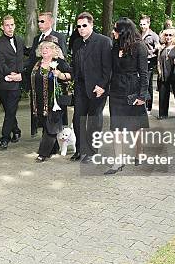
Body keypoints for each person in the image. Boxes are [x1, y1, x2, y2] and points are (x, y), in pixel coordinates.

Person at [106, 18, 150, 174]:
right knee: (116, 127)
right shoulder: (114, 46)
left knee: (135, 127)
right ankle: (118, 162)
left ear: (124, 31)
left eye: (115, 29)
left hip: (133, 89)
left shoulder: (139, 47)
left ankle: (140, 152)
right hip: (116, 90)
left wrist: (142, 96)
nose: (113, 32)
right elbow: (109, 70)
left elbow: (144, 74)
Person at [71, 12, 112, 163]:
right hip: (80, 87)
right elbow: (75, 65)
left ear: (91, 25)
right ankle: (80, 149)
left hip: (97, 88)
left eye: (84, 26)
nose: (81, 29)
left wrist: (102, 86)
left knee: (95, 120)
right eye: (79, 26)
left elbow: (108, 67)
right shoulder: (76, 43)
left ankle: (92, 151)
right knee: (78, 119)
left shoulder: (104, 41)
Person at [25, 11, 68, 135]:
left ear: (51, 22)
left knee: (53, 112)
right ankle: (46, 134)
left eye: (42, 21)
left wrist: (59, 74)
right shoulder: (36, 39)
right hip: (38, 81)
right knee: (40, 111)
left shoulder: (59, 37)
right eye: (38, 21)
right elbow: (32, 60)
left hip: (53, 82)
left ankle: (54, 136)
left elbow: (62, 58)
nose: (39, 23)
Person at [30, 37, 72, 162]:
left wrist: (60, 75)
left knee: (52, 125)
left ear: (54, 50)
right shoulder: (37, 63)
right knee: (44, 124)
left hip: (55, 101)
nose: (44, 49)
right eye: (42, 47)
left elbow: (71, 75)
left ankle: (43, 153)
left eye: (48, 47)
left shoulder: (59, 62)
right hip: (39, 101)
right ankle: (53, 148)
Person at [0, 15, 24, 150]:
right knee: (9, 110)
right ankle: (16, 130)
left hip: (17, 83)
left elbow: (24, 57)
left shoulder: (20, 40)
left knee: (10, 111)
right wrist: (11, 75)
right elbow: (0, 62)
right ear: (2, 27)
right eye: (7, 25)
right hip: (4, 82)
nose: (10, 27)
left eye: (12, 25)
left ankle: (4, 138)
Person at [157, 28, 175, 119]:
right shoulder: (162, 48)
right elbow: (159, 61)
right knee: (163, 94)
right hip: (164, 74)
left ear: (174, 36)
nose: (168, 37)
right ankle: (162, 114)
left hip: (174, 74)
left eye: (170, 35)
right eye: (166, 35)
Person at [139, 15, 160, 114]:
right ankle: (142, 103)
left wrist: (152, 51)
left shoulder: (153, 35)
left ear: (148, 24)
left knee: (147, 83)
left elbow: (158, 47)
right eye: (141, 24)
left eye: (144, 24)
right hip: (139, 61)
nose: (142, 26)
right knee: (141, 82)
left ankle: (148, 106)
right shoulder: (138, 34)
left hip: (149, 61)